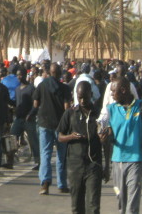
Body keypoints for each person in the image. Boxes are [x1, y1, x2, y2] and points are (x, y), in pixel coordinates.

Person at [101, 76, 142, 214]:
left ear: (123, 90)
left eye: (113, 91)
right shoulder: (111, 109)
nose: (111, 94)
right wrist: (104, 139)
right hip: (117, 162)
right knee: (121, 204)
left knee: (132, 207)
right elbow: (109, 135)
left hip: (135, 162)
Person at [58, 81, 106, 214]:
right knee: (77, 207)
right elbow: (60, 136)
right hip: (75, 165)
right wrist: (71, 137)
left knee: (93, 206)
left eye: (85, 96)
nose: (83, 100)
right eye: (80, 97)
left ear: (91, 94)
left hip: (94, 165)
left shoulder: (98, 114)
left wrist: (107, 166)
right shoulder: (70, 113)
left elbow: (106, 138)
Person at [33, 62, 71, 195]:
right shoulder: (65, 88)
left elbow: (35, 103)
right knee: (61, 155)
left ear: (49, 72)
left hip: (44, 123)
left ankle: (45, 183)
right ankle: (62, 184)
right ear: (60, 73)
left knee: (45, 153)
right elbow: (67, 108)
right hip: (60, 125)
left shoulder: (41, 85)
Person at [7, 67, 39, 170]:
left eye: (20, 75)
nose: (19, 77)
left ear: (25, 75)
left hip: (29, 120)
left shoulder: (31, 88)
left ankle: (39, 162)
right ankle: (10, 161)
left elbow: (36, 104)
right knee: (11, 139)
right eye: (17, 75)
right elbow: (16, 103)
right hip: (18, 119)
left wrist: (31, 114)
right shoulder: (17, 89)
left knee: (33, 140)